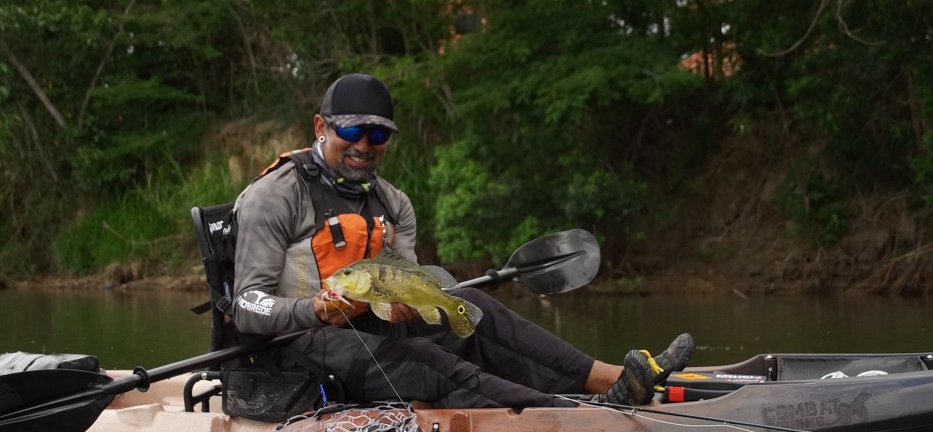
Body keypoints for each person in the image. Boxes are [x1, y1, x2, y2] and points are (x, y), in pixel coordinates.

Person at [230, 72, 692, 410]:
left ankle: (612, 379)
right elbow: (247, 305)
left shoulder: (394, 202)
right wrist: (315, 310)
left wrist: (408, 304)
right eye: (351, 131)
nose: (364, 145)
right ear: (320, 127)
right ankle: (577, 414)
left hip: (371, 328)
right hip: (300, 342)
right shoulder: (275, 195)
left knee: (476, 307)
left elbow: (402, 286)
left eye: (378, 134)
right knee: (424, 358)